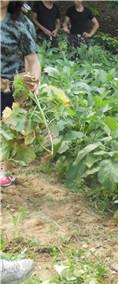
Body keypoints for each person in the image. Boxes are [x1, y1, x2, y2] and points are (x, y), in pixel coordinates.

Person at [0, 0, 41, 188]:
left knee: (9, 131)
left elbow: (32, 60)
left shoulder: (19, 24)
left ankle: (4, 171)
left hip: (8, 85)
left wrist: (33, 84)